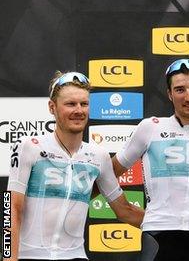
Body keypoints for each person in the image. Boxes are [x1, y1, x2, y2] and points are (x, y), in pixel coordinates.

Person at [7, 71, 143, 261]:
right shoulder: (29, 147)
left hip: (76, 256)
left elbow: (125, 211)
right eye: (70, 104)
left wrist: (175, 223)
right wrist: (8, 258)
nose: (78, 110)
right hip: (31, 256)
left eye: (84, 104)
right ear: (52, 107)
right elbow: (11, 208)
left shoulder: (99, 156)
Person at [111, 59, 189, 261]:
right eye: (180, 90)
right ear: (169, 94)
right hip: (159, 234)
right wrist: (122, 209)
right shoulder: (150, 128)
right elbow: (109, 172)